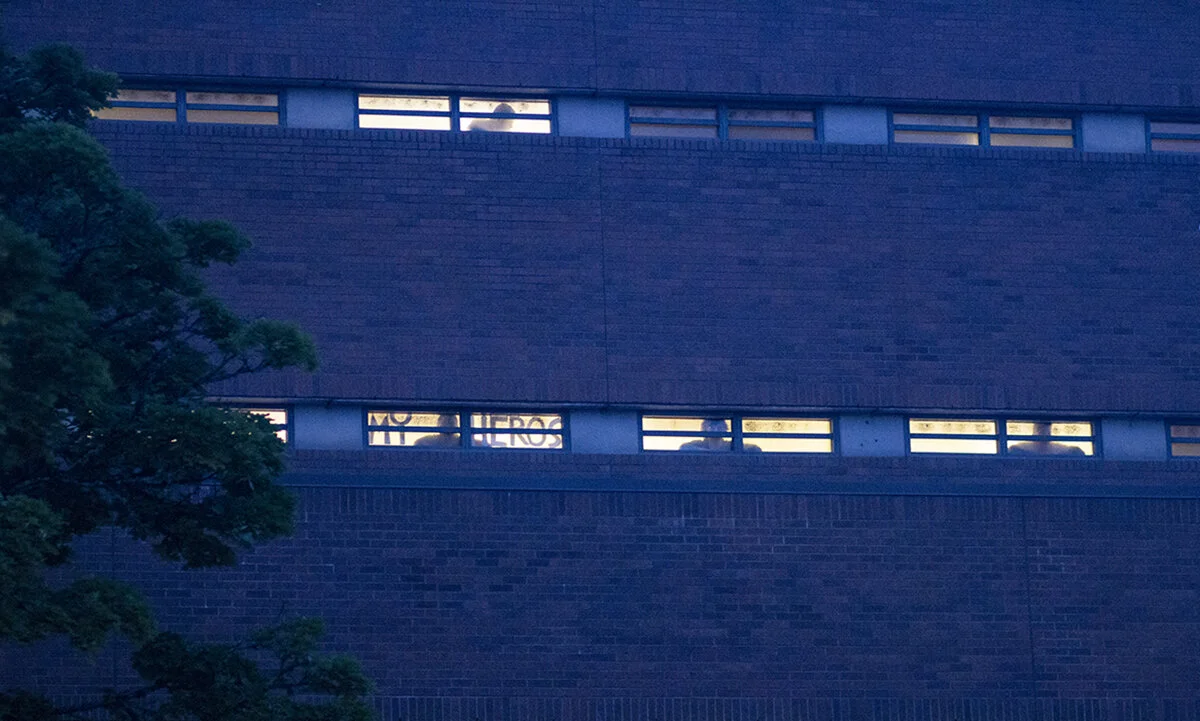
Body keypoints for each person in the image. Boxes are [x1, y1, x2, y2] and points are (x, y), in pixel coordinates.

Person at [1007, 421, 1085, 456]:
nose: (1043, 432)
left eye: (1046, 430)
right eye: (1040, 429)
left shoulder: (1071, 451)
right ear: (1034, 431)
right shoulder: (1016, 450)